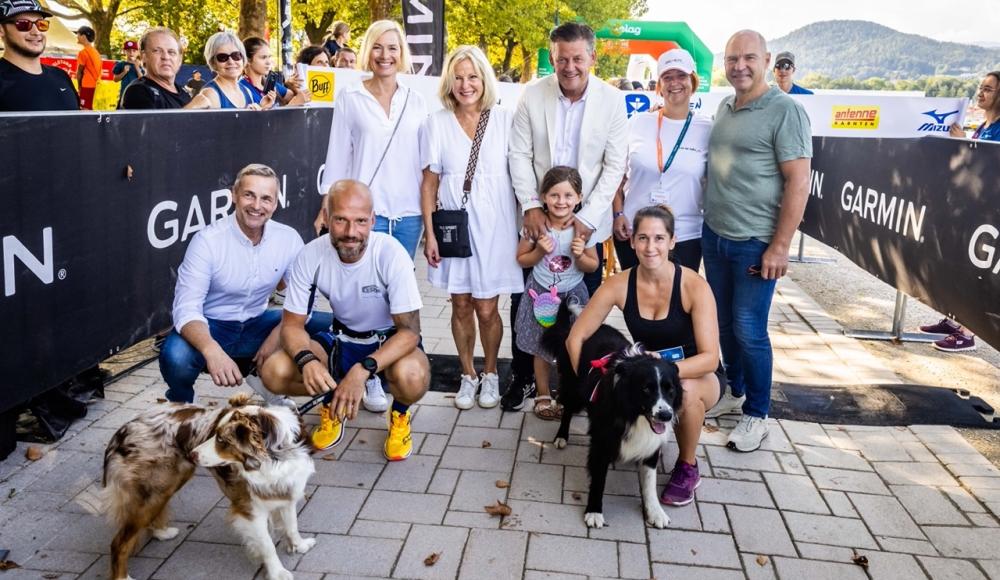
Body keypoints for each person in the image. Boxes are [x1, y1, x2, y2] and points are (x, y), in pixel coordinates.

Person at [504, 21, 627, 411]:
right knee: (527, 302)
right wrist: (530, 205)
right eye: (561, 59)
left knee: (582, 309)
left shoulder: (612, 101)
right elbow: (519, 154)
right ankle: (525, 379)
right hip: (540, 219)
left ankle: (575, 386)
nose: (569, 66)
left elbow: (614, 165)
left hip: (586, 225)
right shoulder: (532, 95)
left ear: (592, 57)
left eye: (577, 58)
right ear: (552, 58)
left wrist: (588, 218)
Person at [260, 180, 430, 461]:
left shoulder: (391, 253)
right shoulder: (310, 254)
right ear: (326, 217)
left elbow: (410, 333)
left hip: (388, 341)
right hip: (342, 339)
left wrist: (361, 372)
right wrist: (307, 360)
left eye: (361, 221)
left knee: (413, 377)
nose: (351, 232)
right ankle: (332, 404)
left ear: (373, 220)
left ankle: (399, 414)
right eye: (341, 220)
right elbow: (292, 326)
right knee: (274, 372)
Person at [567, 205, 724, 505]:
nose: (650, 247)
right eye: (642, 238)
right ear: (632, 241)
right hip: (650, 372)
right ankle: (642, 438)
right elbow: (577, 337)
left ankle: (687, 466)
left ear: (673, 241)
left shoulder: (694, 286)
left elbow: (710, 359)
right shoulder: (618, 283)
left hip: (697, 373)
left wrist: (666, 368)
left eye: (659, 238)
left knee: (684, 392)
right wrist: (587, 393)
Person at [701, 30, 812, 452]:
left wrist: (780, 246)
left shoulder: (786, 110)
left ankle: (757, 414)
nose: (740, 66)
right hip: (716, 236)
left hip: (755, 243)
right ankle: (735, 390)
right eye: (732, 59)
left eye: (749, 58)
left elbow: (798, 183)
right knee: (724, 324)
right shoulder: (726, 106)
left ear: (766, 60)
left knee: (749, 330)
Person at [159, 164, 322, 405]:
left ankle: (266, 379)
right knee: (175, 356)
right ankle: (181, 409)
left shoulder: (288, 238)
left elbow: (304, 298)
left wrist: (279, 335)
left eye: (266, 198)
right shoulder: (207, 241)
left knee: (329, 328)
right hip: (214, 326)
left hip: (258, 323)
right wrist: (211, 350)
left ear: (275, 203)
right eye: (249, 195)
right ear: (234, 196)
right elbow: (186, 308)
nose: (257, 206)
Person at [420, 46, 523, 410]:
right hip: (455, 225)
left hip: (496, 226)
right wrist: (430, 234)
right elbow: (429, 183)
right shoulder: (436, 122)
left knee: (487, 307)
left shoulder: (506, 120)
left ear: (485, 79)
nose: (466, 85)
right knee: (460, 303)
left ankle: (492, 373)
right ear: (449, 81)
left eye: (473, 76)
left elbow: (522, 174)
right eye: (459, 77)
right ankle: (467, 374)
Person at [320, 20, 428, 257]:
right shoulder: (350, 96)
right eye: (377, 47)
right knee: (362, 287)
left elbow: (427, 161)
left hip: (409, 213)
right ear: (368, 52)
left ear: (401, 53)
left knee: (399, 288)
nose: (385, 55)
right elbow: (337, 155)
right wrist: (327, 204)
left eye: (392, 48)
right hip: (363, 212)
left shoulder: (417, 101)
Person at [920, 71, 1000, 353]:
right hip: (969, 209)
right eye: (981, 87)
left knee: (976, 272)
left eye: (988, 89)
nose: (981, 93)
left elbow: (986, 165)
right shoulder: (981, 126)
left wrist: (965, 142)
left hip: (989, 215)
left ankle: (968, 332)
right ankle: (957, 319)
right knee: (957, 266)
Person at [613, 48, 711, 271]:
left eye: (681, 76)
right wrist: (618, 214)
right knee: (634, 303)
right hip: (634, 232)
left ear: (693, 81)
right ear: (659, 85)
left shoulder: (708, 129)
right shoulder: (637, 122)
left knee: (678, 303)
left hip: (685, 235)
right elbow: (616, 176)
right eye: (667, 77)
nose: (674, 83)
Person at [513, 166, 599, 420]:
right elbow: (521, 259)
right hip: (541, 295)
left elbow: (593, 266)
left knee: (570, 346)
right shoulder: (536, 226)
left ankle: (565, 393)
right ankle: (542, 394)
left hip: (572, 296)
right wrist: (539, 251)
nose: (561, 202)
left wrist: (580, 254)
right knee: (541, 346)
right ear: (543, 197)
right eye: (554, 195)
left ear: (579, 198)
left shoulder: (584, 229)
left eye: (568, 196)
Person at [0, 0, 79, 111]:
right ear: (1, 30)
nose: (36, 32)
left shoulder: (61, 76)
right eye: (23, 24)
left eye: (41, 24)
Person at [186, 30, 263, 110]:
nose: (231, 62)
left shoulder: (247, 91)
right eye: (222, 57)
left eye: (236, 55)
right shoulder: (211, 94)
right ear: (213, 62)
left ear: (243, 58)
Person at [121, 28, 191, 109]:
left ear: (180, 59)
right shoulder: (138, 92)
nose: (166, 57)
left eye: (171, 52)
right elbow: (157, 122)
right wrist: (194, 108)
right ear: (144, 56)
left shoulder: (184, 93)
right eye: (157, 51)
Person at [241, 36, 308, 107]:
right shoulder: (242, 89)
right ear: (247, 60)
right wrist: (293, 104)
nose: (268, 62)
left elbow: (299, 98)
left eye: (269, 57)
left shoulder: (272, 84)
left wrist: (290, 85)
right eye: (263, 57)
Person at [74, 25, 101, 110]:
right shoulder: (96, 52)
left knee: (84, 109)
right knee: (90, 109)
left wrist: (79, 87)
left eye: (78, 34)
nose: (77, 37)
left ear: (83, 36)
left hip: (86, 86)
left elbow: (79, 72)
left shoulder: (83, 52)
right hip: (95, 85)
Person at [112, 39, 142, 107]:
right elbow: (115, 79)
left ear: (137, 52)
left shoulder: (140, 66)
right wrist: (124, 72)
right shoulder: (120, 64)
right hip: (124, 95)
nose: (131, 53)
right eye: (128, 51)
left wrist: (137, 68)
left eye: (134, 51)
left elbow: (142, 79)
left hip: (137, 95)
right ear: (125, 52)